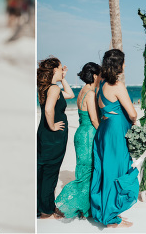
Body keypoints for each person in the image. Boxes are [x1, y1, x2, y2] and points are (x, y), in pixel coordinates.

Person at [89, 49, 139, 227]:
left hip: (105, 130)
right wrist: (134, 119)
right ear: (118, 65)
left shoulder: (100, 84)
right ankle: (110, 216)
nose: (126, 65)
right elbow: (132, 113)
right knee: (114, 170)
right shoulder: (117, 86)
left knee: (105, 169)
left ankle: (106, 210)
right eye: (124, 62)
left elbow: (100, 108)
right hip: (116, 131)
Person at [55, 62, 100, 219]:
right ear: (95, 76)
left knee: (83, 170)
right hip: (89, 134)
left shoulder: (83, 90)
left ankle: (84, 207)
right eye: (100, 75)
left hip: (81, 133)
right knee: (87, 172)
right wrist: (104, 133)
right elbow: (94, 119)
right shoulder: (91, 93)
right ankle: (66, 204)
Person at [37, 56, 74, 219]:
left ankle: (42, 206)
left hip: (46, 134)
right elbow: (48, 110)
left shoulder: (48, 88)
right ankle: (46, 210)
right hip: (53, 136)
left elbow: (71, 94)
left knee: (43, 171)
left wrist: (63, 79)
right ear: (54, 70)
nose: (62, 70)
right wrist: (52, 126)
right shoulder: (53, 89)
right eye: (60, 68)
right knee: (50, 172)